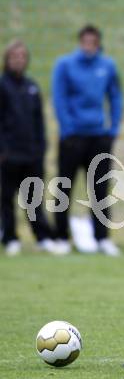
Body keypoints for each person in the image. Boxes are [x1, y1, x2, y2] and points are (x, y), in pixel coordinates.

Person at [52, 24, 122, 256]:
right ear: (80, 42)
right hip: (72, 138)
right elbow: (59, 98)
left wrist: (112, 128)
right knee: (64, 187)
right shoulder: (65, 65)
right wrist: (68, 129)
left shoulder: (107, 65)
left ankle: (102, 238)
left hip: (99, 138)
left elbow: (115, 96)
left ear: (98, 43)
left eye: (93, 42)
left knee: (100, 190)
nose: (89, 46)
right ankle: (61, 237)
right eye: (86, 41)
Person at [0, 40, 56, 256]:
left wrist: (41, 149)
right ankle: (10, 238)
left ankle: (42, 237)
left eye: (23, 56)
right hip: (9, 155)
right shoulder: (3, 86)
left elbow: (39, 121)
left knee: (33, 199)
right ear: (7, 59)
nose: (19, 60)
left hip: (32, 154)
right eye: (15, 56)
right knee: (7, 199)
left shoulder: (31, 86)